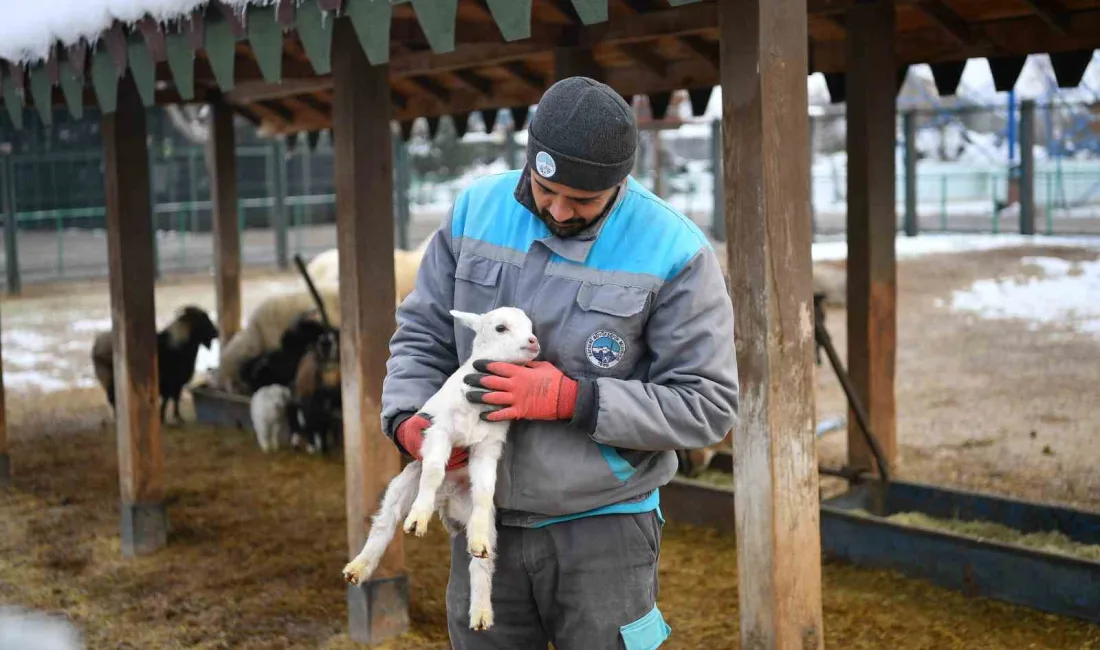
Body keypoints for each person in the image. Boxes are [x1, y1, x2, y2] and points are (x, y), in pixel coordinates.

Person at [380, 76, 739, 650]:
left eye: (584, 200)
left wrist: (574, 399)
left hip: (603, 528)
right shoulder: (476, 211)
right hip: (481, 519)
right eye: (546, 188)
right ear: (530, 159)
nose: (559, 208)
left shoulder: (675, 250)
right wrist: (406, 420)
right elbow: (421, 331)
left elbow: (708, 405)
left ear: (619, 183)